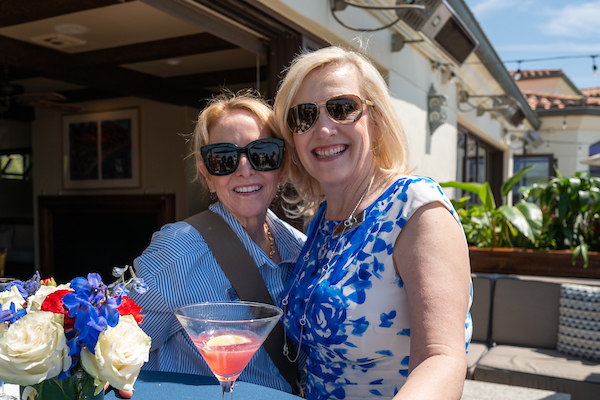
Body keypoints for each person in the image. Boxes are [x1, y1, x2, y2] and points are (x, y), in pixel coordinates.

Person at [272, 46, 472, 399]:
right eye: (303, 116)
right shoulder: (322, 220)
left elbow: (442, 359)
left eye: (343, 108)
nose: (323, 128)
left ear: (376, 122)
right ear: (294, 139)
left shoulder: (417, 210)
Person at [131, 89, 306, 393]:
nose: (244, 169)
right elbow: (115, 352)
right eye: (224, 159)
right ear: (207, 174)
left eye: (262, 153)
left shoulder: (303, 249)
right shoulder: (178, 252)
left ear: (282, 166)